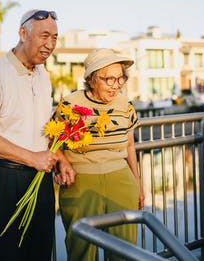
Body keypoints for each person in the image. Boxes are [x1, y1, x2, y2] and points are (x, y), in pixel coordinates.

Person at [0, 9, 75, 261]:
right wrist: (33, 158)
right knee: (5, 255)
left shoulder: (44, 76)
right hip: (3, 180)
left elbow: (42, 127)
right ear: (23, 33)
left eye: (55, 38)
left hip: (40, 180)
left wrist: (60, 157)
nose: (50, 45)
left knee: (40, 252)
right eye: (44, 36)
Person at [54, 48, 145, 261]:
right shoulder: (70, 104)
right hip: (80, 182)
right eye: (108, 79)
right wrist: (62, 162)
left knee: (124, 251)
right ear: (92, 79)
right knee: (81, 249)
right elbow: (52, 141)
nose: (116, 85)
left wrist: (139, 185)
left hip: (121, 181)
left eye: (120, 78)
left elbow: (130, 146)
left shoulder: (126, 106)